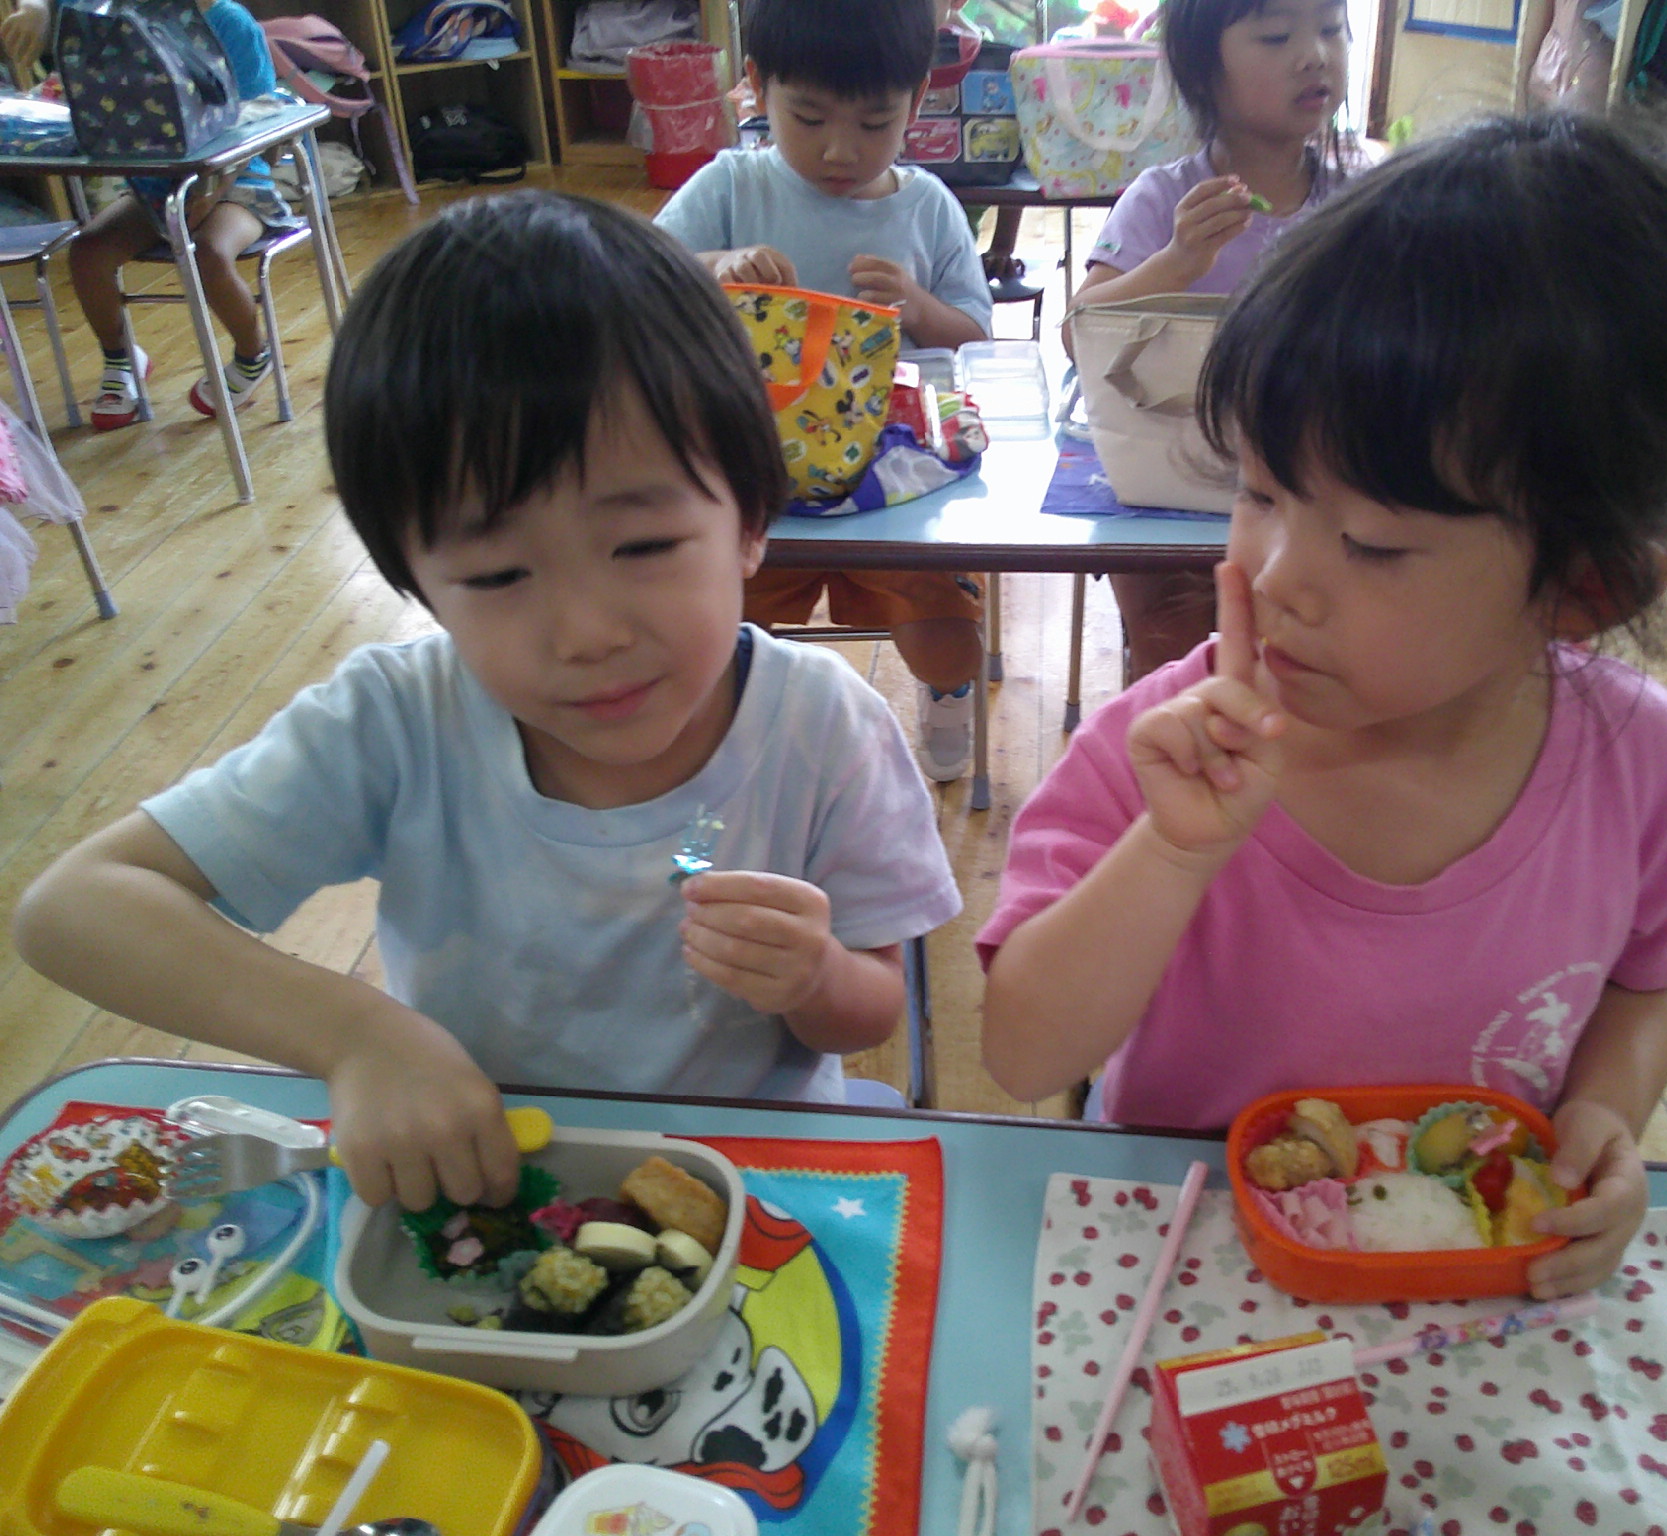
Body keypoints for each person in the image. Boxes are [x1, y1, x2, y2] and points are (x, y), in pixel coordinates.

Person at [13, 193, 961, 1211]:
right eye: (498, 575)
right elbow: (73, 908)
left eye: (643, 546)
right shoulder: (397, 721)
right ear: (420, 585)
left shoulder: (823, 725)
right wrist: (358, 1038)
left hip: (748, 1189)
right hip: (483, 1181)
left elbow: (871, 1006)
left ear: (749, 525)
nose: (585, 632)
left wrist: (813, 978)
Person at [979, 117, 1667, 1300]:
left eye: (1373, 545)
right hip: (1192, 1270)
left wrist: (1603, 1111)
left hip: (1469, 1271)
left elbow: (1647, 989)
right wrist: (1172, 854)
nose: (1276, 575)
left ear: (1587, 587)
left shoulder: (1640, 762)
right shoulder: (1166, 748)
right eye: (1257, 491)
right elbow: (1021, 1053)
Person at [655, 0, 991, 783]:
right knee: (716, 631)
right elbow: (637, 274)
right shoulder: (732, 185)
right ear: (756, 85)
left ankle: (947, 694)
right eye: (807, 118)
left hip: (897, 479)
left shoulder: (927, 206)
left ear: (917, 99)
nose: (841, 149)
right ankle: (732, 731)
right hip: (756, 479)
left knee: (947, 636)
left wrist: (921, 307)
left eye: (875, 123)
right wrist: (715, 267)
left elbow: (975, 338)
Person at [1072, 0, 1354, 678]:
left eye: (1331, 29)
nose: (1314, 55)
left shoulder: (1362, 201)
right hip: (1173, 477)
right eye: (1277, 36)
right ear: (1203, 72)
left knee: (1323, 643)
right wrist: (1176, 264)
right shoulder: (1161, 198)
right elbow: (1079, 331)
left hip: (1318, 485)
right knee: (1167, 639)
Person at [9, 0, 303, 428]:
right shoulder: (136, 17)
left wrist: (210, 191)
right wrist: (40, 9)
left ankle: (252, 353)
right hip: (161, 186)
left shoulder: (233, 24)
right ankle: (121, 358)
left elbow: (260, 115)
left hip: (239, 186)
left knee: (210, 253)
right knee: (88, 252)